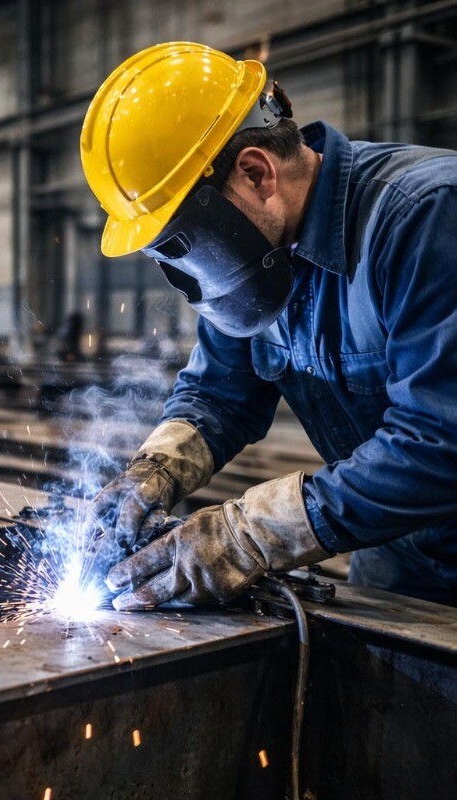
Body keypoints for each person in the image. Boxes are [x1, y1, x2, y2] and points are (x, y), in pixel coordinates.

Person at [80, 41, 457, 610]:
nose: (191, 272)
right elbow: (219, 393)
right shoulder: (261, 261)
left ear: (257, 174)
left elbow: (441, 440)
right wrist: (155, 471)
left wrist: (249, 533)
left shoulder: (425, 216)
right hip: (396, 554)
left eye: (190, 241)